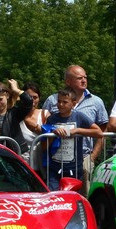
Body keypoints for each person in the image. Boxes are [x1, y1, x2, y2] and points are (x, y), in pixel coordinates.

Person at [42, 65, 109, 195]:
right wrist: (53, 134)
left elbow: (102, 131)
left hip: (82, 159)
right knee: (54, 195)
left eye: (85, 77)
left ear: (72, 104)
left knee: (81, 197)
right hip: (56, 162)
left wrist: (93, 156)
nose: (84, 80)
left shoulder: (96, 102)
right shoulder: (51, 100)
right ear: (68, 81)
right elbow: (45, 129)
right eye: (79, 78)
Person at [0, 79, 34, 158]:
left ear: (7, 96)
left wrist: (16, 90)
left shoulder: (14, 113)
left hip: (16, 154)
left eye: (0, 99)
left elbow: (29, 101)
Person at [19, 81, 50, 172]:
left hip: (41, 166)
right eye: (28, 97)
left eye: (35, 97)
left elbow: (51, 136)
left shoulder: (45, 114)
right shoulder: (17, 115)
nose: (32, 100)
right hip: (22, 166)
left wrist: (35, 127)